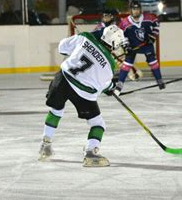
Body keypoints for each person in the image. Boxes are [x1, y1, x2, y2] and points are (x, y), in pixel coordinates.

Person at [38, 25, 125, 167]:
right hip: (82, 93)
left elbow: (62, 47)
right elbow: (101, 87)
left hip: (63, 79)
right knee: (98, 124)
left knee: (56, 111)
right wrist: (112, 88)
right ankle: (91, 153)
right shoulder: (109, 66)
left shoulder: (85, 38)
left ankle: (45, 146)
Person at [114, 0, 164, 94]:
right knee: (127, 64)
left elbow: (156, 24)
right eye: (134, 9)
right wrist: (126, 46)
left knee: (153, 61)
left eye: (137, 9)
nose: (136, 11)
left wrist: (153, 36)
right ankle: (119, 85)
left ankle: (159, 80)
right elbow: (121, 35)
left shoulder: (149, 18)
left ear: (140, 9)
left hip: (146, 44)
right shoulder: (125, 22)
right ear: (130, 10)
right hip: (133, 46)